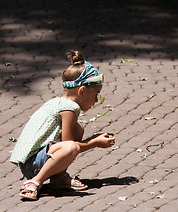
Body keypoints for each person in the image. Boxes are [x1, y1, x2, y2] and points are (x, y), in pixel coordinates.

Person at [10, 50, 115, 200]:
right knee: (71, 146)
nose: (96, 100)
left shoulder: (57, 102)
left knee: (78, 128)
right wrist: (95, 142)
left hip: (29, 160)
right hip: (31, 164)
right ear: (82, 91)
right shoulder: (70, 108)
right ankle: (35, 182)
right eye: (96, 95)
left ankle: (58, 178)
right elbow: (69, 146)